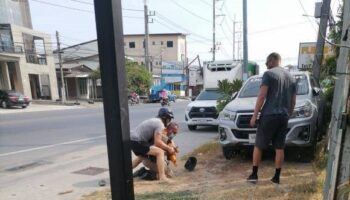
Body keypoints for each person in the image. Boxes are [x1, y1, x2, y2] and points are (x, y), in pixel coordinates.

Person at [247, 52, 296, 184]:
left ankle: (254, 175)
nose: (266, 64)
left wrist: (254, 115)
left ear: (274, 60)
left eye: (267, 61)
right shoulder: (291, 77)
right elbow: (293, 101)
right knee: (279, 147)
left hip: (269, 115)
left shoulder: (268, 74)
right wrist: (288, 114)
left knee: (259, 145)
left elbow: (262, 96)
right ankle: (276, 177)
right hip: (283, 116)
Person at [130, 107, 176, 182]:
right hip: (137, 140)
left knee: (141, 157)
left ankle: (123, 172)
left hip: (132, 140)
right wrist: (168, 148)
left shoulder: (155, 120)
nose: (169, 121)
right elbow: (158, 142)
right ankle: (162, 177)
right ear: (165, 118)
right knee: (159, 152)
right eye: (169, 119)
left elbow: (156, 141)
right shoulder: (160, 124)